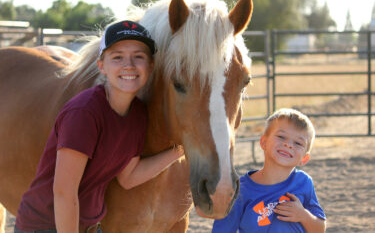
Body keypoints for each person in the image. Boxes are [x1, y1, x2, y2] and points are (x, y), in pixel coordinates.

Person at [15, 20, 183, 233]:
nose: (128, 65)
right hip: (47, 226)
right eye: (117, 57)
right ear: (101, 66)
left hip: (91, 227)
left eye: (138, 56)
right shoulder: (84, 113)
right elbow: (64, 193)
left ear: (151, 65)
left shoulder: (138, 114)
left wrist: (180, 148)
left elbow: (129, 177)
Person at [212, 108, 326, 233]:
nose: (288, 145)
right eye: (281, 137)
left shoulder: (303, 182)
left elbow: (319, 229)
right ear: (264, 142)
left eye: (298, 143)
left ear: (304, 159)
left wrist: (303, 215)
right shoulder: (239, 191)